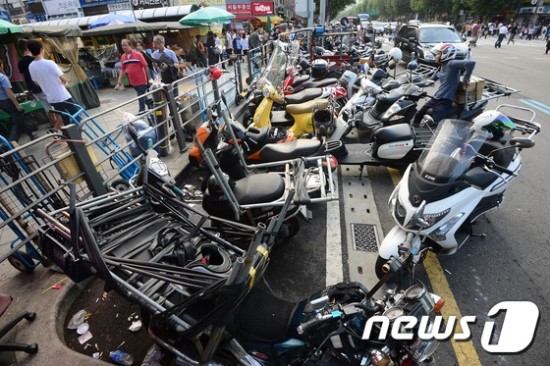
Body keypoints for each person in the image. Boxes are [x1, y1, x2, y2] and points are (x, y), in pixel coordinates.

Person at [413, 43, 475, 126]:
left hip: (445, 101)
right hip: (435, 99)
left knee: (435, 124)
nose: (436, 56)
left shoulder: (451, 64)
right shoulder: (440, 67)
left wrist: (466, 78)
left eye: (438, 54)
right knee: (418, 115)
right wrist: (413, 85)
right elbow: (429, 81)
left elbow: (471, 63)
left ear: (446, 55)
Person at [27, 40, 80, 131]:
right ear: (41, 49)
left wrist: (46, 83)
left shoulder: (31, 66)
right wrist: (64, 81)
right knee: (77, 114)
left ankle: (71, 139)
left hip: (51, 98)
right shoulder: (50, 63)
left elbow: (36, 83)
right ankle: (78, 136)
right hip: (62, 95)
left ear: (31, 51)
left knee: (64, 118)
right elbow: (63, 79)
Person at [17, 38, 55, 133]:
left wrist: (30, 90)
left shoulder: (20, 63)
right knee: (55, 107)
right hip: (43, 86)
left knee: (48, 109)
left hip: (33, 89)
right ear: (29, 48)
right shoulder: (35, 60)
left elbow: (24, 77)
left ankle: (54, 127)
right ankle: (60, 128)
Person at [0, 60, 37, 142]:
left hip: (1, 102)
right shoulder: (2, 77)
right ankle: (11, 142)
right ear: (1, 65)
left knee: (20, 117)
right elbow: (8, 92)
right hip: (7, 101)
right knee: (17, 119)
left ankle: (31, 134)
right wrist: (16, 104)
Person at [116, 39, 151, 113]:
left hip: (141, 80)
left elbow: (145, 66)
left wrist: (149, 78)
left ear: (130, 45)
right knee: (142, 96)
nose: (124, 47)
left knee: (140, 96)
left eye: (125, 45)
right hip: (133, 81)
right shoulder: (123, 57)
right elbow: (123, 69)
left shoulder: (138, 55)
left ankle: (141, 111)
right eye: (122, 45)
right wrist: (119, 80)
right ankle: (150, 104)